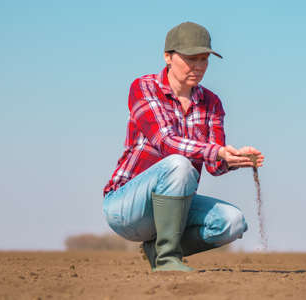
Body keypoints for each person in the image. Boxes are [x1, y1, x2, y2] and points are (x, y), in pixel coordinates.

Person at [102, 22, 264, 272]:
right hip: (128, 207)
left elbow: (214, 164)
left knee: (233, 222)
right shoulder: (144, 88)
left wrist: (231, 159)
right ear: (168, 56)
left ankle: (157, 249)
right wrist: (216, 151)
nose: (199, 67)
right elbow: (165, 142)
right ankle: (167, 260)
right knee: (179, 163)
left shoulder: (211, 102)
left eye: (204, 59)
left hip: (175, 204)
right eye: (191, 58)